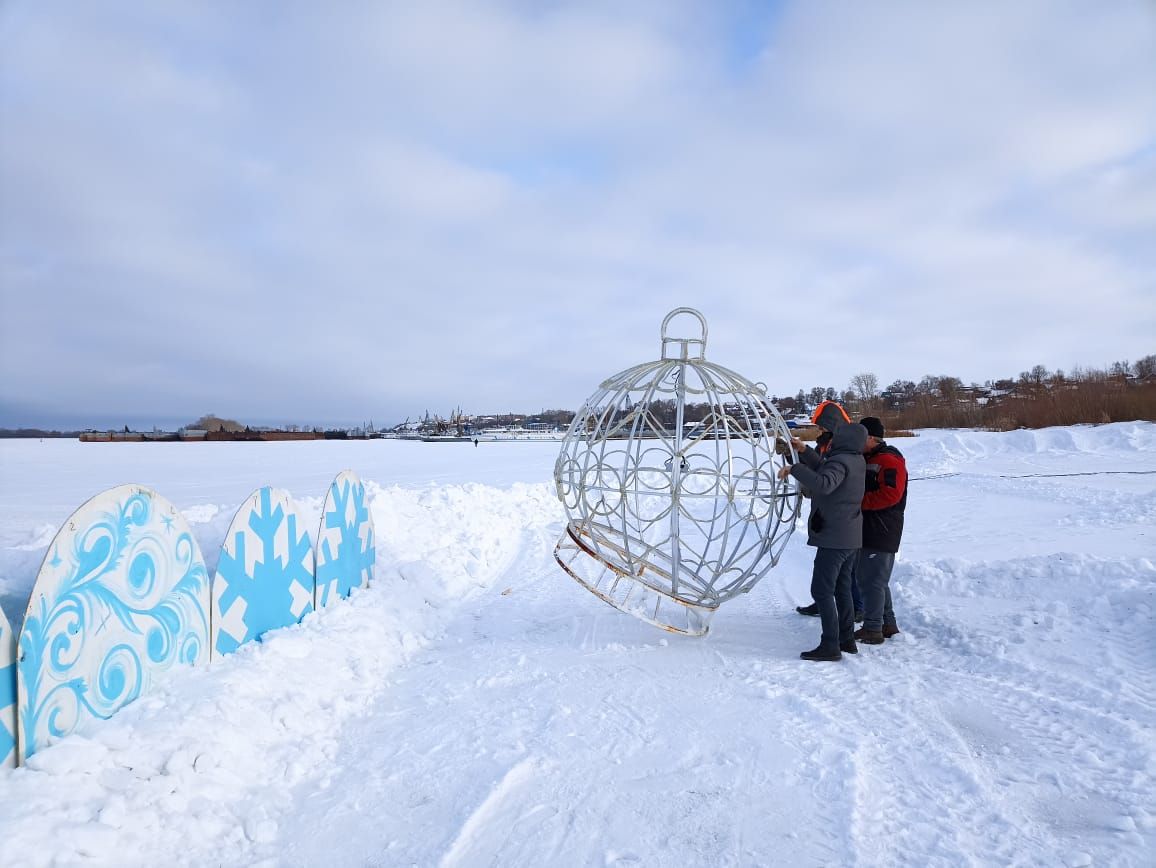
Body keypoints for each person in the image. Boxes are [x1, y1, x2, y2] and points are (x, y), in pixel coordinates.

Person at [778, 421, 867, 661]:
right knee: (841, 588)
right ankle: (846, 639)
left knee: (822, 589)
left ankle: (830, 645)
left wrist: (793, 469)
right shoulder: (855, 460)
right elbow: (826, 469)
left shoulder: (840, 462)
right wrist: (803, 450)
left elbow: (824, 483)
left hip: (835, 539)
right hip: (850, 537)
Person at [791, 401, 866, 621]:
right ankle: (827, 607)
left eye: (823, 429)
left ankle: (855, 610)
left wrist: (796, 469)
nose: (820, 432)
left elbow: (826, 478)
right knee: (836, 575)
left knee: (847, 573)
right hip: (832, 519)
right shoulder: (827, 446)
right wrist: (800, 452)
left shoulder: (844, 450)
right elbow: (822, 466)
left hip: (845, 519)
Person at [853, 417, 908, 644]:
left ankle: (873, 628)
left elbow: (890, 494)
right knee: (876, 579)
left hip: (882, 528)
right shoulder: (871, 459)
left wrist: (858, 502)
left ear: (871, 438)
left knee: (871, 581)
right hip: (872, 527)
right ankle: (887, 624)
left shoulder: (889, 461)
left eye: (860, 437)